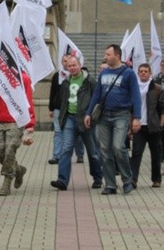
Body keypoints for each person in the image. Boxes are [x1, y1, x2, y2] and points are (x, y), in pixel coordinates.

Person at [85, 44, 141, 195]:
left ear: (117, 55)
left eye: (108, 54)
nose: (105, 57)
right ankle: (110, 184)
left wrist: (137, 117)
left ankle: (127, 180)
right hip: (103, 116)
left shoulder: (128, 73)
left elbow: (136, 96)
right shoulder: (103, 74)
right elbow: (96, 95)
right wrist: (88, 113)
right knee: (104, 150)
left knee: (118, 147)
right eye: (105, 54)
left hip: (121, 115)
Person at [50, 56, 103, 191]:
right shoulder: (65, 82)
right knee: (66, 149)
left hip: (85, 121)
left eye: (74, 65)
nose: (72, 68)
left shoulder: (89, 81)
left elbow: (97, 99)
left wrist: (91, 116)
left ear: (80, 65)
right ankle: (62, 180)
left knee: (93, 152)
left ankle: (98, 177)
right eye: (69, 66)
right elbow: (62, 101)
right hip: (69, 119)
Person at [0, 71, 35, 197]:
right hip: (1, 120)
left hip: (17, 121)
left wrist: (30, 125)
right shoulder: (1, 76)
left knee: (10, 151)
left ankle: (7, 181)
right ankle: (19, 169)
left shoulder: (24, 78)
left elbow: (28, 101)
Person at [130, 63, 164, 188]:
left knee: (156, 153)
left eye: (146, 71)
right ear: (138, 73)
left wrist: (160, 124)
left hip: (153, 126)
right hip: (138, 126)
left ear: (150, 73)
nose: (143, 73)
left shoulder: (157, 88)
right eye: (141, 71)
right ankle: (133, 179)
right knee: (136, 153)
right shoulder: (133, 87)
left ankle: (156, 179)